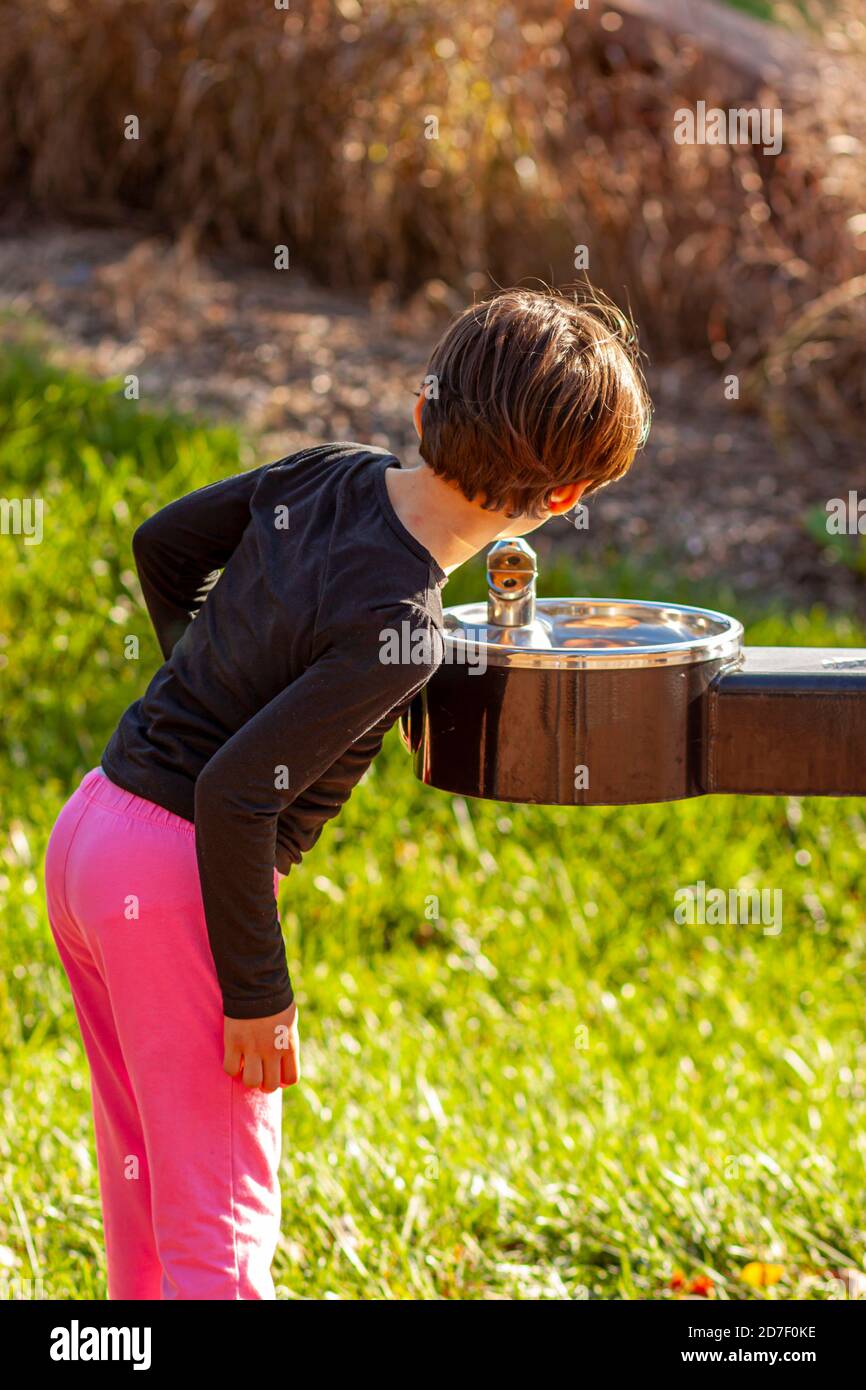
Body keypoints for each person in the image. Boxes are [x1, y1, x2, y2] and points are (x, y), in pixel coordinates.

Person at [44, 285, 651, 1299]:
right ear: (559, 502)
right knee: (221, 1244)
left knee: (149, 1201)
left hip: (94, 829)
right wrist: (258, 995)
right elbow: (238, 792)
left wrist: (203, 683)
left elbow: (162, 544)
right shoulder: (404, 623)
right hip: (181, 875)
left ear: (421, 412)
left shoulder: (330, 473)